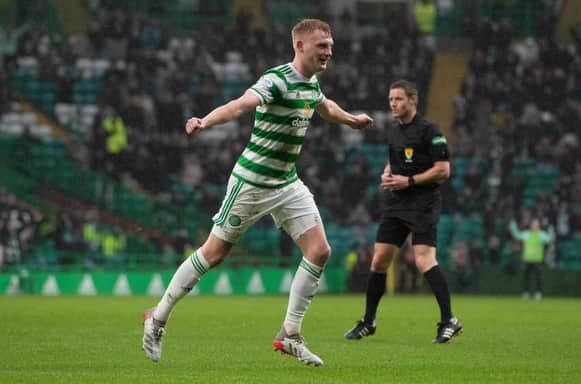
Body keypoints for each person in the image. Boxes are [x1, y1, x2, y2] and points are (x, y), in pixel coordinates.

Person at [141, 19, 373, 366]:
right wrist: (205, 121)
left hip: (286, 183)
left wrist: (352, 119)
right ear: (300, 46)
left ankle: (290, 334)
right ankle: (156, 319)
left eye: (330, 45)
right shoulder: (275, 80)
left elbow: (325, 107)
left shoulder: (311, 84)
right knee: (214, 254)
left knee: (320, 250)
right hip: (251, 183)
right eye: (321, 46)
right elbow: (239, 105)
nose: (329, 52)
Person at [344, 80, 462, 344]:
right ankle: (368, 321)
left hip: (424, 203)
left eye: (398, 99)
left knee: (423, 261)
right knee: (379, 260)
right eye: (390, 100)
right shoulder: (395, 132)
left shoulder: (430, 131)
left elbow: (443, 170)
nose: (393, 104)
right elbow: (396, 160)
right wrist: (387, 171)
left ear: (413, 100)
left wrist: (408, 181)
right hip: (397, 204)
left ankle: (449, 320)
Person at [509, 218, 554, 300]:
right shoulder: (526, 234)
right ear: (531, 225)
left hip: (537, 259)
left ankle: (538, 293)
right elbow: (517, 235)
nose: (535, 226)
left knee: (538, 278)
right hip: (527, 259)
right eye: (533, 224)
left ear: (538, 225)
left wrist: (551, 230)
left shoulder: (541, 234)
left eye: (536, 224)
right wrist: (513, 227)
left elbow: (550, 239)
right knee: (526, 277)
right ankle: (526, 293)